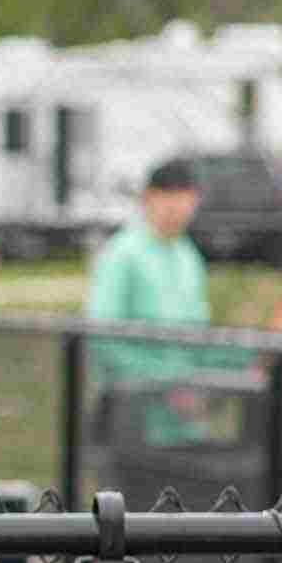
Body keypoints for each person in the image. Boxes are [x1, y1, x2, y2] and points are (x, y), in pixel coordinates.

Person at [85, 156, 233, 446]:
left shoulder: (188, 256)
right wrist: (163, 385)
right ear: (148, 198)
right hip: (130, 418)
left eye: (186, 201)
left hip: (184, 426)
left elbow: (199, 336)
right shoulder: (122, 254)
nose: (178, 210)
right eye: (170, 200)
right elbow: (101, 336)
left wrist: (236, 365)